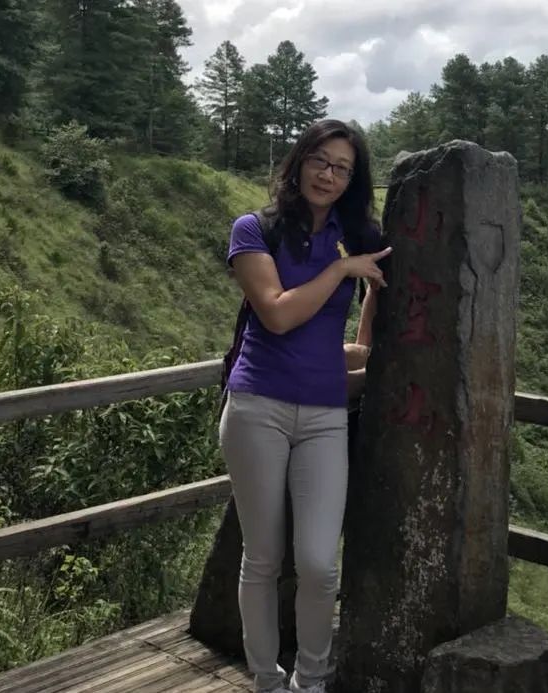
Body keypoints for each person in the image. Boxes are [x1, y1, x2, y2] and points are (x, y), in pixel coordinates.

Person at [220, 118, 391, 693]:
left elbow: (383, 282)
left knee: (319, 563)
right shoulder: (254, 229)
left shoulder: (354, 233)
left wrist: (367, 324)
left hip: (324, 415)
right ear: (299, 162)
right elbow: (276, 313)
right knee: (264, 558)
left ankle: (310, 680)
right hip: (257, 408)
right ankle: (266, 679)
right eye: (320, 161)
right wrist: (340, 270)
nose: (329, 175)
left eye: (343, 168)